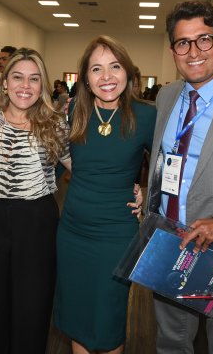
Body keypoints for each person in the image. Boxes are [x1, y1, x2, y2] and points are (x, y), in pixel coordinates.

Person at [147, 1, 213, 354]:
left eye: (204, 39)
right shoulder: (167, 96)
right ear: (172, 49)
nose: (193, 52)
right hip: (171, 250)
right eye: (182, 42)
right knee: (171, 344)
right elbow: (165, 163)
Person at [54, 35, 156, 354]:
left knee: (109, 318)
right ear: (86, 77)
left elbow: (171, 165)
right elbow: (65, 159)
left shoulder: (146, 116)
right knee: (77, 315)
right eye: (97, 69)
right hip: (73, 231)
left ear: (127, 71)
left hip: (116, 234)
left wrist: (148, 190)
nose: (107, 76)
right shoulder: (74, 113)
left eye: (114, 66)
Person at [0, 47, 71, 354]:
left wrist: (129, 190)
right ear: (4, 82)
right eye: (17, 77)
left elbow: (81, 168)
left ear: (42, 85)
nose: (25, 86)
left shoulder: (54, 123)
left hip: (36, 223)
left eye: (33, 79)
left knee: (32, 307)